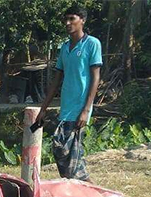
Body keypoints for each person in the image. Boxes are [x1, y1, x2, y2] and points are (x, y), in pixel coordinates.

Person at [37, 5, 102, 182]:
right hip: (66, 107)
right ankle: (77, 189)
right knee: (61, 151)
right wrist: (43, 108)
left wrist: (86, 109)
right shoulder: (65, 48)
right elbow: (56, 80)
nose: (67, 23)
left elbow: (95, 78)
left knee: (71, 156)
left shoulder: (92, 44)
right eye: (65, 19)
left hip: (80, 108)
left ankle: (90, 191)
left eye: (72, 19)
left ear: (82, 20)